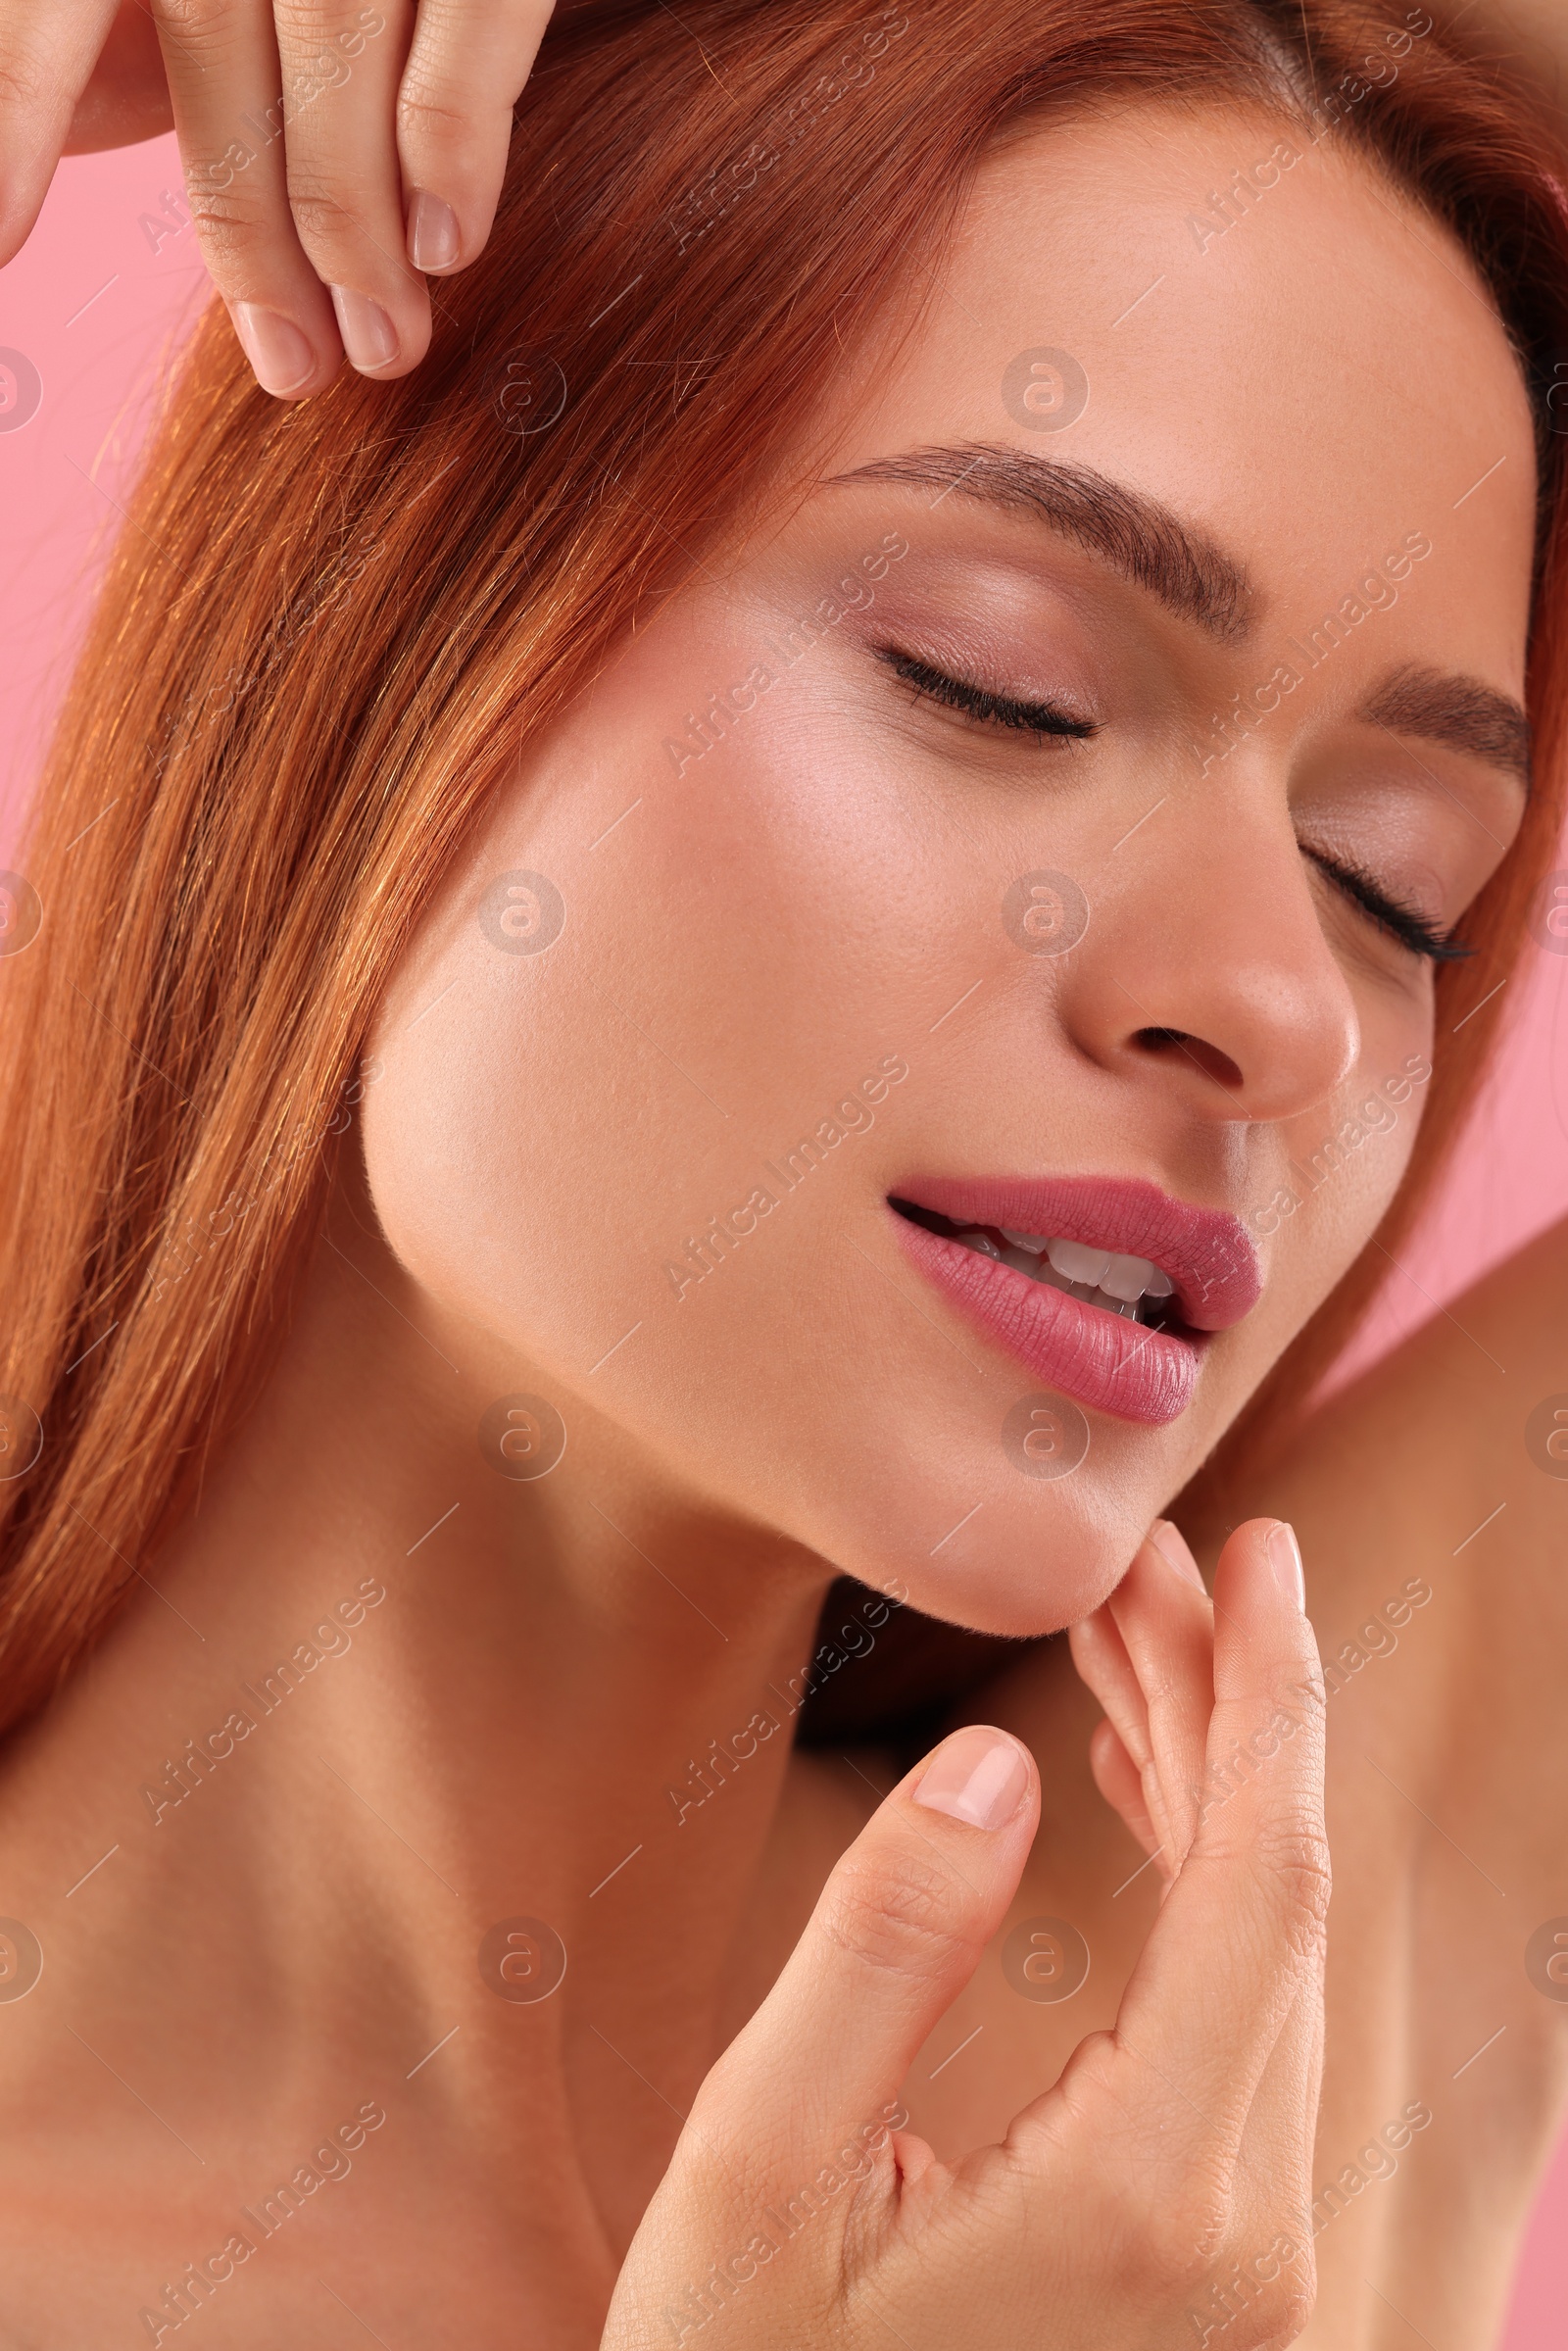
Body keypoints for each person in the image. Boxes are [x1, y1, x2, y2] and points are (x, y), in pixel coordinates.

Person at [0, 1, 1562, 2344]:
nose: (1283, 1003)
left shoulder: (1262, 2042)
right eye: (996, 685)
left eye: (1389, 878)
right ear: (379, 613)